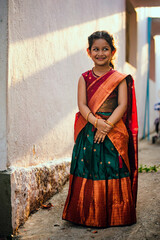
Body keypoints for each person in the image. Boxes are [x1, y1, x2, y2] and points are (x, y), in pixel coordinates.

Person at [62, 31, 138, 227]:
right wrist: (97, 124)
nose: (100, 53)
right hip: (89, 131)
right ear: (89, 52)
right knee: (89, 167)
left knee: (113, 168)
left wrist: (107, 127)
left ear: (113, 52)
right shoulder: (84, 78)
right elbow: (82, 105)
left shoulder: (120, 78)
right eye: (96, 49)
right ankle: (85, 213)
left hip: (113, 129)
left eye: (105, 49)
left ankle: (115, 213)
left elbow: (122, 105)